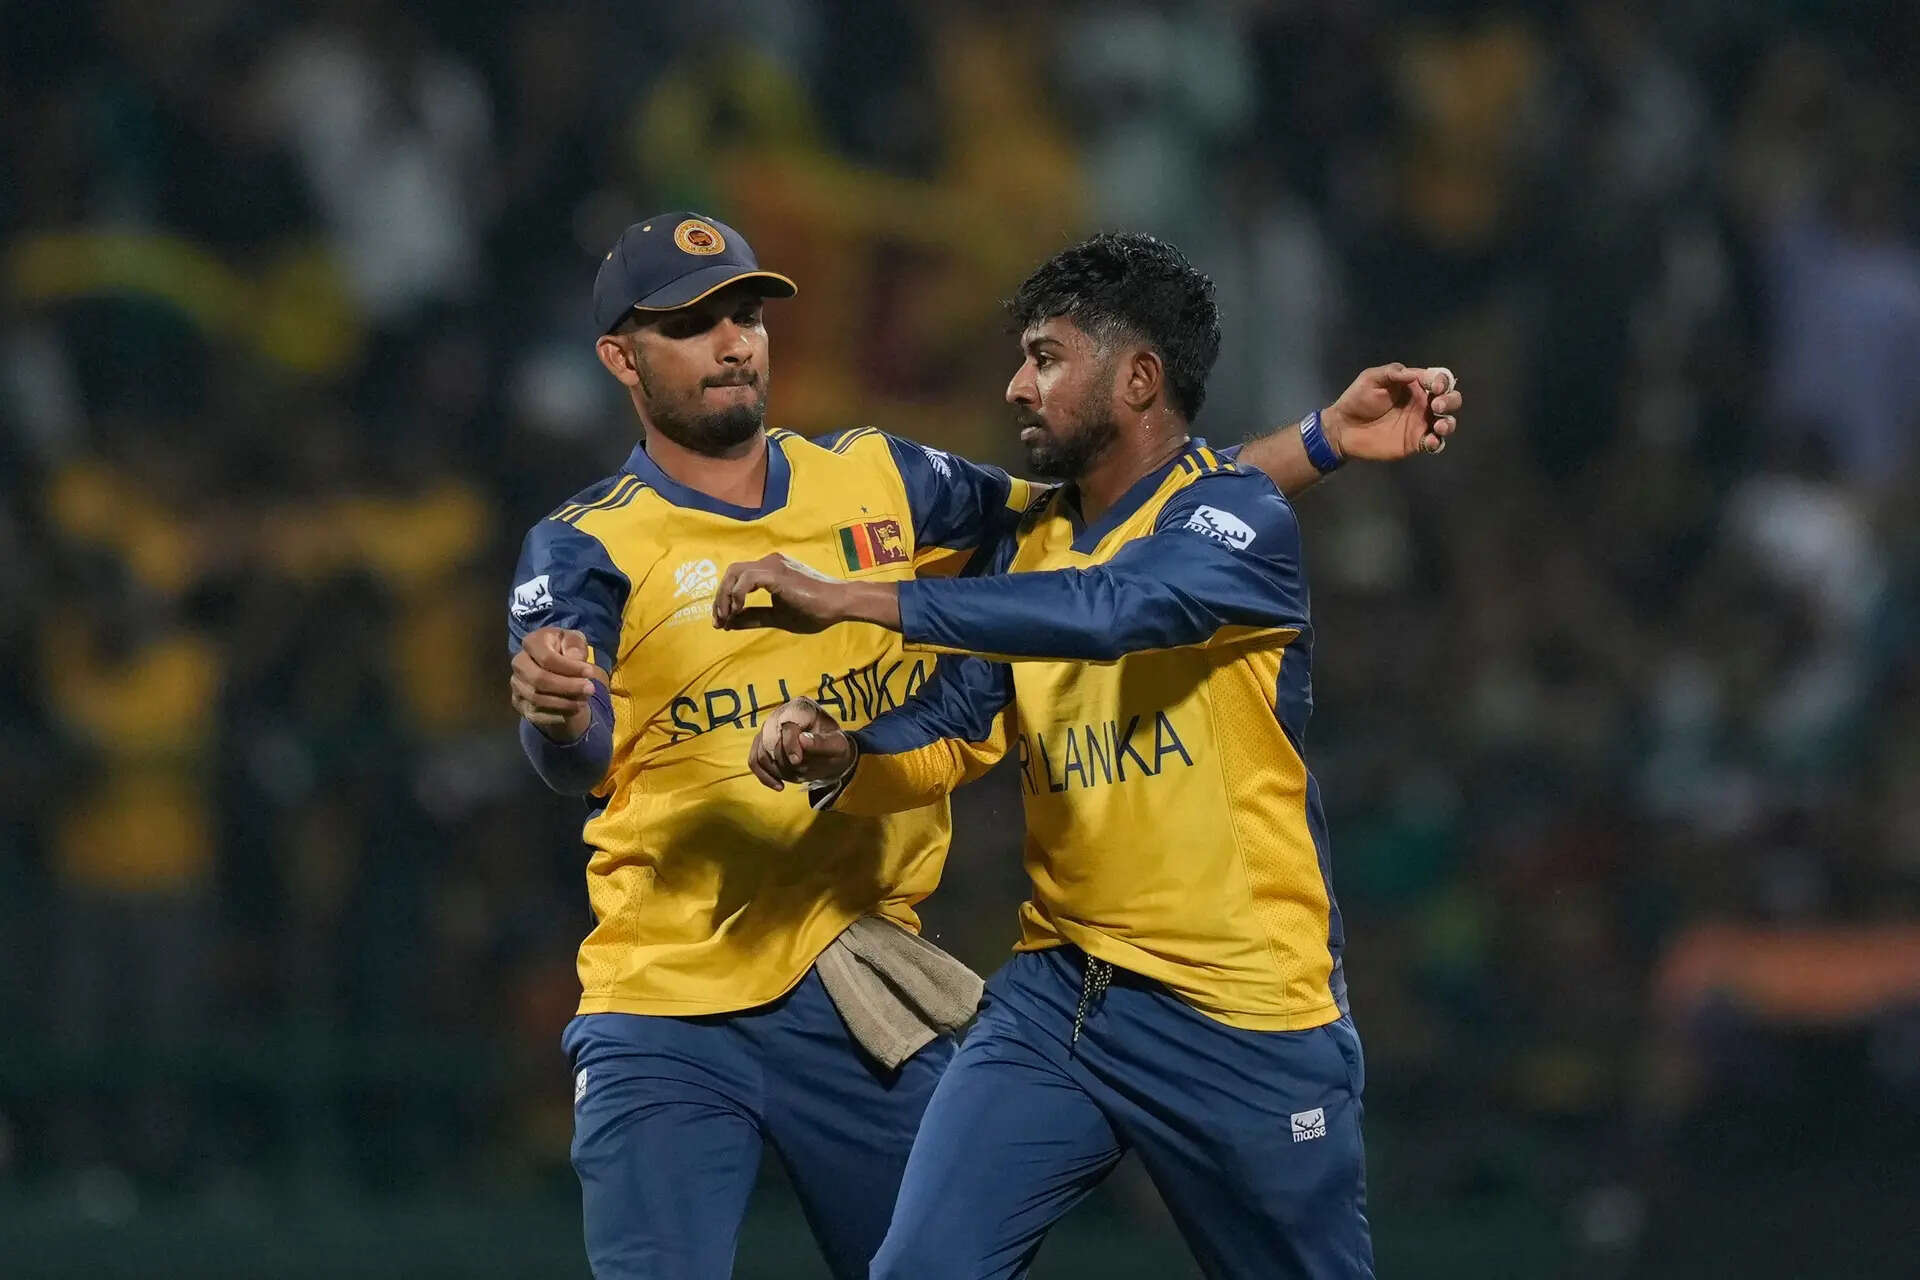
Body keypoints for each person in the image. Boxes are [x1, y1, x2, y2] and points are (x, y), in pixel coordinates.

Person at [509, 213, 1459, 1280]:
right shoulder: (588, 541)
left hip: (1224, 1006)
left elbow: (1125, 573)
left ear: (1137, 377)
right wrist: (833, 755)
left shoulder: (901, 482)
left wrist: (849, 596)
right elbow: (962, 703)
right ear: (620, 357)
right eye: (694, 324)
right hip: (1005, 994)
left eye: (747, 315)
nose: (734, 342)